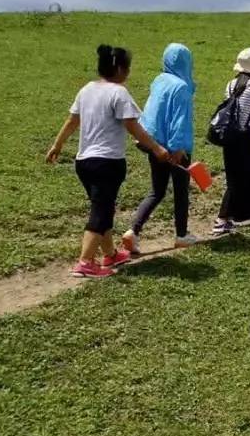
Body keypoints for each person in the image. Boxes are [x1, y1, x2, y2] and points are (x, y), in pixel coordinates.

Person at [46, 45, 170, 278]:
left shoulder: (86, 90)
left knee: (103, 207)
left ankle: (111, 254)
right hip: (108, 162)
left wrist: (57, 145)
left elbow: (72, 120)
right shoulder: (119, 93)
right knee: (101, 211)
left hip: (83, 162)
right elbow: (133, 126)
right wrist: (156, 148)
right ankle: (85, 262)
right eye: (129, 68)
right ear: (121, 69)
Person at [123, 43, 197, 254]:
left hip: (154, 144)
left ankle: (132, 231)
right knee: (181, 191)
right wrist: (178, 148)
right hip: (174, 147)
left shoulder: (159, 80)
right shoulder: (181, 87)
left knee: (157, 191)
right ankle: (182, 235)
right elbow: (180, 121)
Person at [213, 47, 250, 234]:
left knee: (233, 175)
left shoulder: (229, 85)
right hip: (246, 135)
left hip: (230, 136)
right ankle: (222, 219)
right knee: (249, 174)